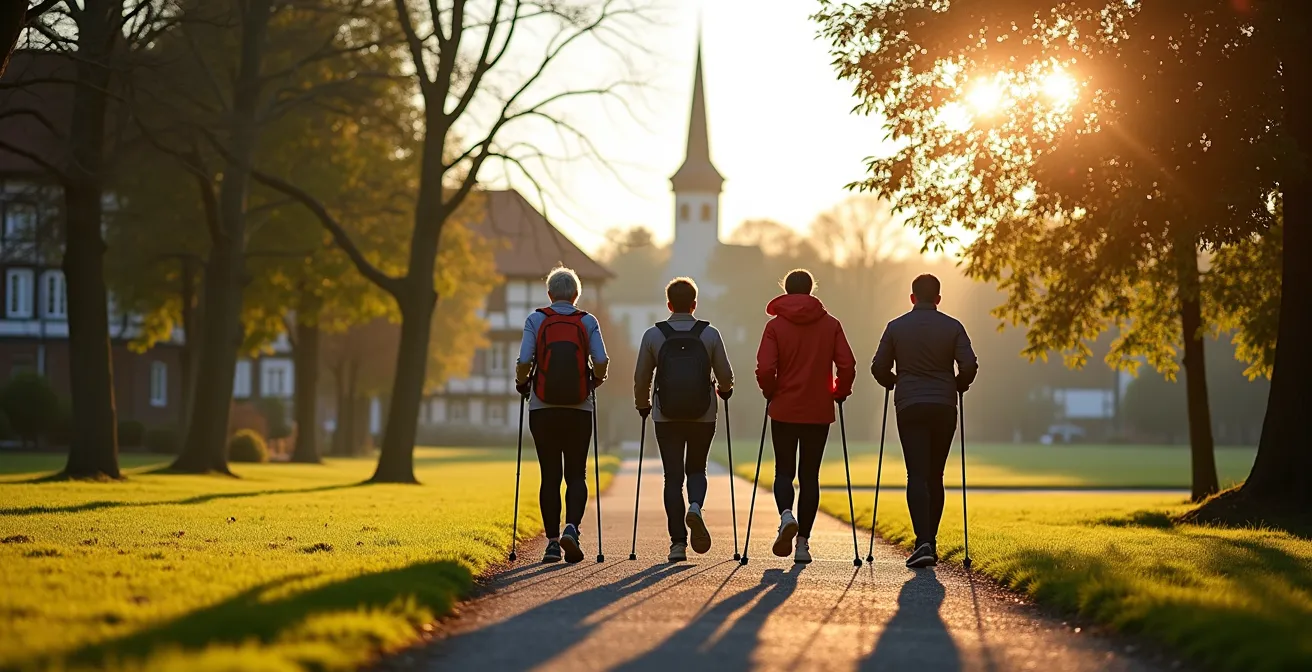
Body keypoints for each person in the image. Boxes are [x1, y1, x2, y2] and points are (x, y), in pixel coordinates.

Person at [871, 273, 978, 568]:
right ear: (939, 299)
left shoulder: (896, 327)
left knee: (916, 475)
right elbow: (969, 364)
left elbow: (878, 366)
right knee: (935, 475)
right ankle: (932, 541)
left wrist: (893, 381)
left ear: (912, 298)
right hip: (944, 404)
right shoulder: (953, 327)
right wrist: (959, 384)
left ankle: (923, 542)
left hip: (909, 404)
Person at [755, 269, 856, 564]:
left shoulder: (775, 327)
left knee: (784, 471)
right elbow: (847, 365)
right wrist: (839, 392)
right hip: (818, 409)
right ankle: (803, 545)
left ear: (785, 291)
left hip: (784, 408)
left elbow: (764, 368)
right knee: (810, 476)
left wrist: (769, 391)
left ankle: (786, 515)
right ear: (812, 290)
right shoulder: (831, 325)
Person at [634, 277, 734, 563]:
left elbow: (642, 377)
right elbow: (725, 376)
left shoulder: (653, 336)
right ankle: (695, 506)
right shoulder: (710, 333)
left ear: (669, 305)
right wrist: (725, 391)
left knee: (672, 477)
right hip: (703, 414)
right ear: (694, 304)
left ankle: (678, 544)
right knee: (697, 469)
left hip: (666, 415)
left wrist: (643, 404)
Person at [515, 266, 609, 564]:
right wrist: (596, 380)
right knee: (577, 473)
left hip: (543, 406)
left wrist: (522, 383)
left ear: (549, 293)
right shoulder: (587, 321)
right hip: (579, 407)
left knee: (550, 475)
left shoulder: (536, 319)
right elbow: (602, 359)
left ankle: (553, 543)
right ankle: (573, 528)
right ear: (576, 295)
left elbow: (524, 360)